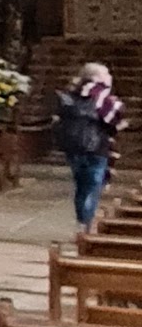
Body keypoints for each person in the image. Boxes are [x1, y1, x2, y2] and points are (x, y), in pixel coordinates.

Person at [53, 61, 124, 231]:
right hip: (97, 146)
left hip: (74, 146)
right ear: (95, 77)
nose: (109, 77)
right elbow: (111, 122)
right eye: (106, 74)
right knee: (93, 185)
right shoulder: (104, 98)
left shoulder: (70, 95)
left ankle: (82, 220)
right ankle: (86, 222)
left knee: (81, 185)